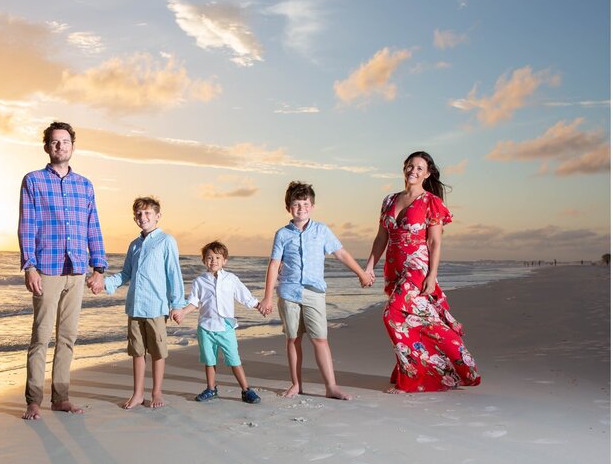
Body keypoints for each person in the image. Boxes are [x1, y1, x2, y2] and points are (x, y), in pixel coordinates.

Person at [363, 151, 481, 393]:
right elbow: (381, 238)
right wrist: (369, 267)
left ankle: (413, 376)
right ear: (404, 168)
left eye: (419, 168)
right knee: (417, 320)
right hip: (393, 268)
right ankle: (455, 366)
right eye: (410, 166)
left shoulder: (431, 202)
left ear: (427, 174)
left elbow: (435, 243)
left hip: (417, 267)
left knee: (393, 316)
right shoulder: (388, 200)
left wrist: (431, 275)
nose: (413, 171)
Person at [18, 121, 107, 420]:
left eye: (65, 141)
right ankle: (33, 399)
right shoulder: (33, 181)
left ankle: (61, 397)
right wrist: (29, 266)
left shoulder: (85, 185)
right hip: (47, 268)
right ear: (47, 146)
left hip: (77, 270)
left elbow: (92, 226)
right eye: (55, 142)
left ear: (72, 146)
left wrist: (100, 267)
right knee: (41, 337)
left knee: (67, 337)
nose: (60, 146)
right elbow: (27, 226)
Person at [258, 181, 372, 400]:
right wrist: (267, 297)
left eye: (305, 204)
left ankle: (331, 386)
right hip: (289, 293)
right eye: (296, 204)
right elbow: (274, 264)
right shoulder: (282, 234)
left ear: (312, 206)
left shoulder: (321, 231)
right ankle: (296, 384)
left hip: (314, 293)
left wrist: (361, 273)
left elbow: (341, 253)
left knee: (320, 339)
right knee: (293, 339)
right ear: (288, 207)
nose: (301, 208)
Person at [105, 196, 186, 409]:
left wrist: (177, 304)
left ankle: (156, 391)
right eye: (139, 214)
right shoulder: (134, 245)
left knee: (158, 351)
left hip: (156, 307)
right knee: (137, 351)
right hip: (135, 306)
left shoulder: (166, 241)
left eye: (148, 213)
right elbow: (125, 274)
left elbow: (174, 275)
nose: (143, 217)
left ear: (158, 216)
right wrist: (106, 283)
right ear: (135, 218)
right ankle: (138, 393)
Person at [173, 241, 264, 404]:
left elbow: (244, 296)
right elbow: (194, 302)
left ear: (225, 260)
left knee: (234, 360)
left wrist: (258, 305)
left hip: (225, 327)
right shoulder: (199, 281)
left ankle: (246, 390)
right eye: (209, 258)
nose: (213, 261)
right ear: (203, 261)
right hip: (205, 328)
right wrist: (182, 313)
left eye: (217, 257)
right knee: (209, 360)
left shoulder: (231, 279)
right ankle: (211, 389)